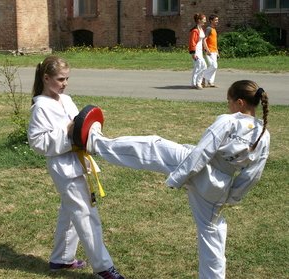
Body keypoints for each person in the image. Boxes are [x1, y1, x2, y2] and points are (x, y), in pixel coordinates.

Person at [83, 80, 270, 279]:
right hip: (218, 188)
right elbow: (252, 175)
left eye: (229, 101)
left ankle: (94, 142)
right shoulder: (264, 135)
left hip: (197, 168)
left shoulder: (228, 121)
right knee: (212, 235)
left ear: (240, 103)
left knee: (152, 147)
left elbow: (202, 152)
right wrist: (231, 197)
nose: (228, 106)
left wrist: (178, 177)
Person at [27, 55, 125, 279]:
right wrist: (67, 131)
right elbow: (38, 143)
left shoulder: (66, 99)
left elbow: (82, 126)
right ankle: (103, 267)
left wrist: (91, 131)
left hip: (79, 161)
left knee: (70, 212)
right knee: (86, 214)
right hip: (63, 167)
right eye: (60, 79)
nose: (65, 83)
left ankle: (60, 259)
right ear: (46, 77)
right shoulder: (40, 108)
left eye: (67, 79)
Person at [189, 13, 208, 90]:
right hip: (196, 51)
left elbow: (203, 40)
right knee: (200, 66)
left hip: (200, 52)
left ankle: (195, 83)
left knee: (201, 67)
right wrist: (193, 53)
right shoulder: (195, 30)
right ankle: (197, 83)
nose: (205, 21)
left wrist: (206, 49)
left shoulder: (201, 29)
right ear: (199, 20)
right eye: (204, 20)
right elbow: (192, 42)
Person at [203, 14, 220, 88]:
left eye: (217, 20)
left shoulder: (214, 29)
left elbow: (215, 42)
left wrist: (217, 52)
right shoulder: (208, 29)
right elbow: (204, 40)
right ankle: (203, 77)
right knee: (214, 66)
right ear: (211, 21)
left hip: (214, 51)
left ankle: (211, 82)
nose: (217, 21)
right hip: (209, 51)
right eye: (215, 20)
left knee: (213, 68)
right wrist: (207, 49)